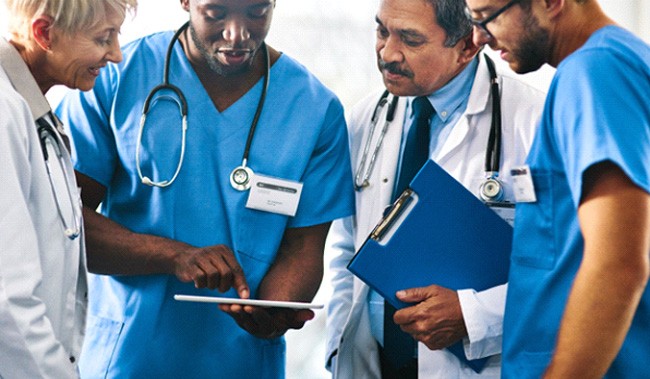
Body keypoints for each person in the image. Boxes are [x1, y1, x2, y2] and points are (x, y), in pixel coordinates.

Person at [55, 0, 354, 377]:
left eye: (257, 12)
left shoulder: (313, 108)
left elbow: (304, 249)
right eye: (216, 13)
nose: (237, 33)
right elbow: (63, 225)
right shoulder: (115, 76)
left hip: (242, 360)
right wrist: (174, 255)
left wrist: (274, 310)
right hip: (128, 355)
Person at [325, 0, 546, 377]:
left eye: (410, 40)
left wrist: (475, 316)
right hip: (374, 364)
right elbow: (348, 245)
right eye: (382, 31)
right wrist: (337, 346)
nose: (387, 53)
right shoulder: (364, 120)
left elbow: (567, 265)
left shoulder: (532, 123)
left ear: (468, 45)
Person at [464, 0, 650, 377]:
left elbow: (619, 263)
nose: (478, 37)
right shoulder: (619, 61)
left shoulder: (596, 72)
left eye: (487, 17)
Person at [0, 0, 136, 378]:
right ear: (44, 33)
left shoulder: (33, 111)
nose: (116, 55)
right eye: (102, 38)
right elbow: (8, 298)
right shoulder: (4, 114)